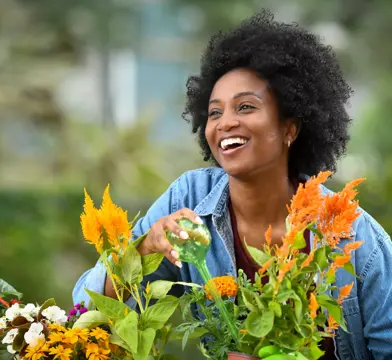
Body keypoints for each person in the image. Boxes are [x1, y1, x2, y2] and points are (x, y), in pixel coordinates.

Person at [73, 10, 392, 360]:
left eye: (245, 107)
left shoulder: (356, 238)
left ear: (290, 128)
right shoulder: (189, 199)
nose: (225, 123)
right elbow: (86, 311)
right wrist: (145, 247)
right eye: (214, 112)